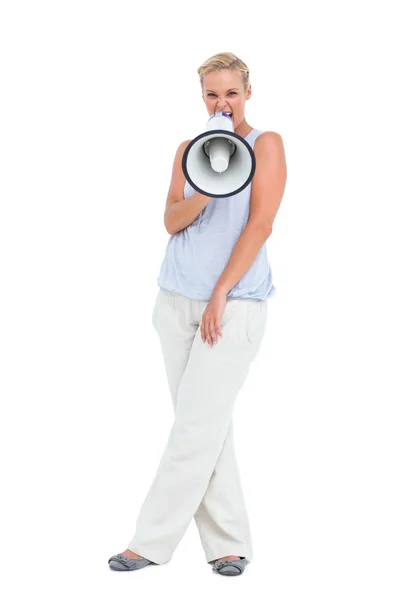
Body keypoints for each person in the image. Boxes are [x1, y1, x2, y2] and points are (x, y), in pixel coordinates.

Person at [108, 52, 287, 577]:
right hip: (175, 301)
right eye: (212, 95)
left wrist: (221, 293)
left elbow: (261, 225)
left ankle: (148, 543)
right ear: (202, 98)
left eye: (231, 93)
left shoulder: (266, 144)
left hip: (231, 306)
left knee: (194, 428)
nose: (222, 103)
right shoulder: (189, 150)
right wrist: (206, 188)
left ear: (248, 93)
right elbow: (171, 220)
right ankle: (229, 545)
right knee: (205, 427)